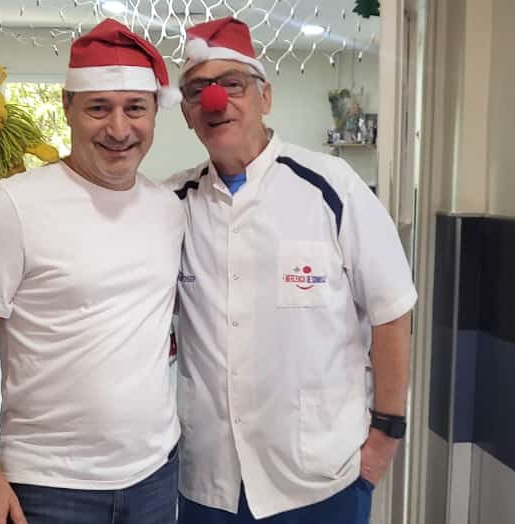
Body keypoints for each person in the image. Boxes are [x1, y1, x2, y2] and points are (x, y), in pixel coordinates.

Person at [169, 17, 418, 524]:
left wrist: (386, 436)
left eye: (232, 84)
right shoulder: (170, 204)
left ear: (265, 96)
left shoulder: (332, 187)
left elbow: (392, 311)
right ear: (188, 114)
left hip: (319, 476)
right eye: (198, 91)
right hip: (209, 480)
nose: (216, 101)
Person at [0, 18, 184, 524]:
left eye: (135, 108)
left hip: (155, 476)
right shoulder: (16, 206)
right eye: (99, 108)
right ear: (69, 107)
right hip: (48, 487)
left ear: (155, 112)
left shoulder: (168, 208)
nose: (119, 129)